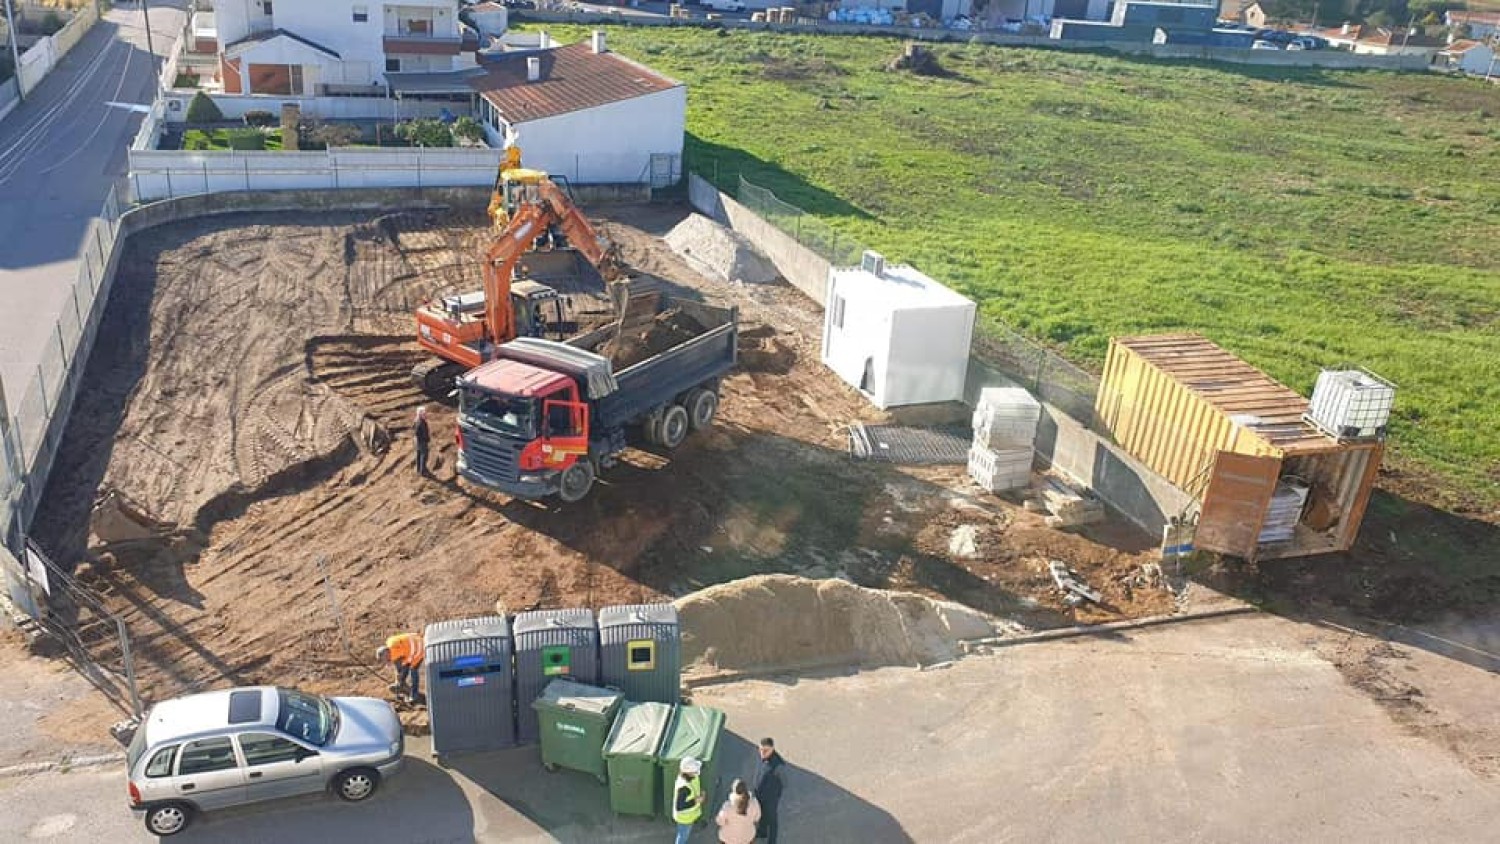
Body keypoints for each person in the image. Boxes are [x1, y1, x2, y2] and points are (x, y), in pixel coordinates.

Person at [750, 737, 784, 843]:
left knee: (772, 819)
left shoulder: (778, 765)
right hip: (759, 794)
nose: (762, 752)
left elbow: (784, 783)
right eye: (760, 749)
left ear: (772, 749)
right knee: (761, 814)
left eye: (766, 750)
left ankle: (772, 841)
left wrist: (773, 796)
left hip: (770, 798)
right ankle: (762, 831)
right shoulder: (761, 757)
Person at [374, 632, 424, 703]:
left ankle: (414, 695)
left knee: (413, 670)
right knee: (405, 665)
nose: (386, 661)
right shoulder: (390, 642)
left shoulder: (394, 654)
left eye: (384, 659)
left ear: (386, 654)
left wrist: (398, 681)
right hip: (417, 639)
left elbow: (399, 670)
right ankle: (402, 684)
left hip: (419, 649)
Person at [715, 778, 760, 844]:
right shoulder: (754, 803)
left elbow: (719, 821)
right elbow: (757, 818)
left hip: (729, 839)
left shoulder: (727, 806)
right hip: (747, 838)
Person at [673, 756, 706, 844]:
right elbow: (679, 807)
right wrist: (696, 800)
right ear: (689, 772)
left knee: (684, 834)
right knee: (682, 836)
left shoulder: (690, 776)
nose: (697, 772)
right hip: (685, 818)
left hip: (689, 816)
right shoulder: (684, 787)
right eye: (695, 771)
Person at [413, 406, 431, 477]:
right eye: (424, 413)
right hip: (422, 441)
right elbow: (421, 432)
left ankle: (419, 469)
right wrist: (426, 439)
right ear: (420, 414)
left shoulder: (416, 420)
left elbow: (414, 430)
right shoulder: (421, 422)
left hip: (418, 441)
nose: (426, 414)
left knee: (419, 454)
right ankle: (423, 471)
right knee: (424, 455)